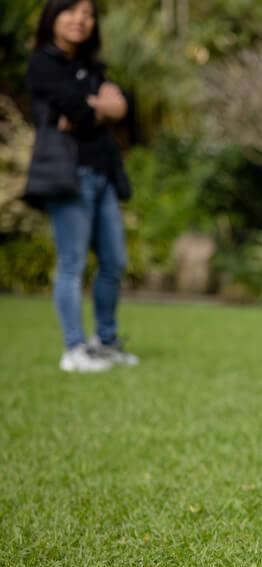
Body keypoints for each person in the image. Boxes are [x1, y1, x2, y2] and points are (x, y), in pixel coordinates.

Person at [26, 0, 138, 373]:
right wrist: (97, 106)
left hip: (103, 173)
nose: (80, 20)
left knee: (114, 262)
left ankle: (105, 341)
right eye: (72, 11)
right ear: (53, 17)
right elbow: (76, 108)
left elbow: (122, 106)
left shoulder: (92, 65)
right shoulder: (42, 63)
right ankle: (74, 349)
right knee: (71, 263)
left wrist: (95, 108)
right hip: (68, 175)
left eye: (88, 14)